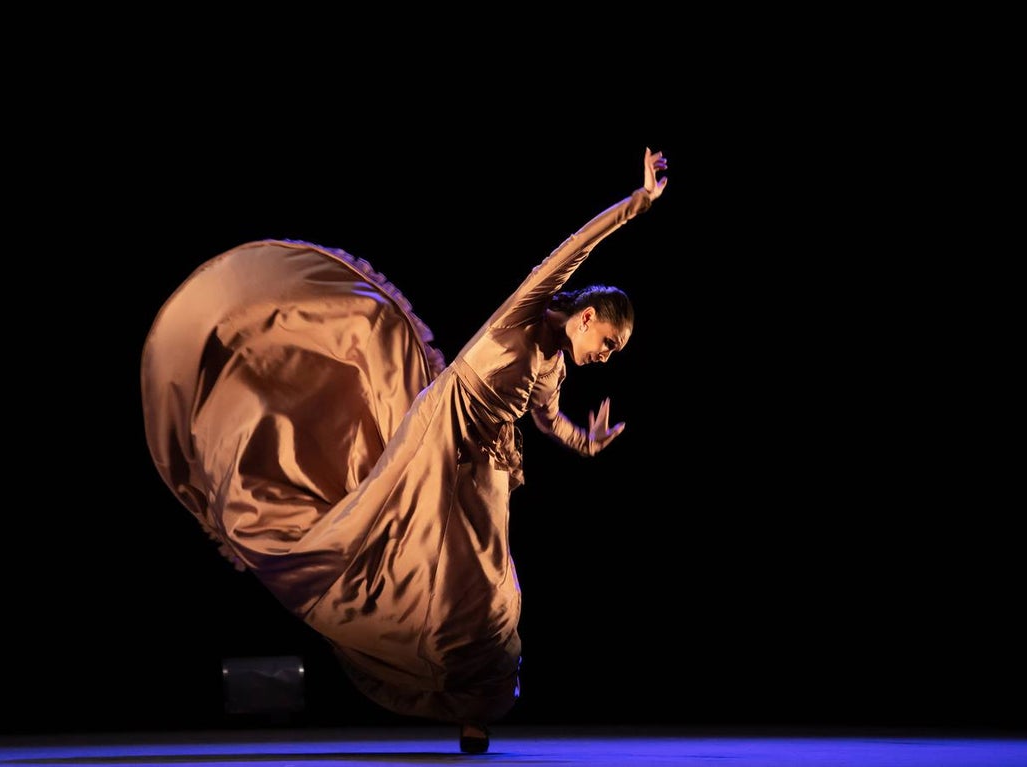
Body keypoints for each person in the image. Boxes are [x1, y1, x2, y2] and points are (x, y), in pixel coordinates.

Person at [140, 147, 669, 754]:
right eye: (609, 340)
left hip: (484, 467)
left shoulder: (554, 369)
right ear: (588, 315)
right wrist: (636, 205)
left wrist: (587, 443)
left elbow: (549, 421)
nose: (607, 354)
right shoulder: (524, 315)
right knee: (391, 553)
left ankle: (472, 708)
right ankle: (354, 605)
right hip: (437, 439)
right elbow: (572, 248)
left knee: (489, 596)